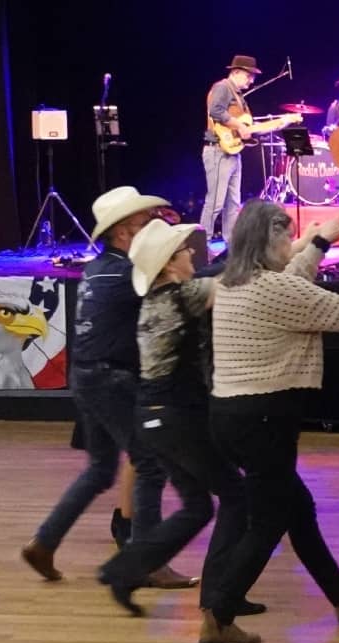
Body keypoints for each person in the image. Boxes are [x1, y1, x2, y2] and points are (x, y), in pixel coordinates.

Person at [203, 201, 339, 643]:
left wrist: (320, 240)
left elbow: (293, 281)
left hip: (233, 416)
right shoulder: (272, 289)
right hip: (264, 417)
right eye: (285, 236)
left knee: (297, 506)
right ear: (268, 240)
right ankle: (218, 613)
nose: (290, 244)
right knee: (270, 519)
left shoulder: (235, 282)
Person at [21, 187, 192, 590]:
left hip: (85, 376)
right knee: (150, 461)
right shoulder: (129, 274)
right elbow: (179, 291)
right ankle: (148, 560)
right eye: (141, 225)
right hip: (111, 378)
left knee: (101, 469)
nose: (150, 229)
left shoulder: (99, 269)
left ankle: (44, 543)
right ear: (121, 234)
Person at [96, 219, 261, 619]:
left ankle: (123, 570)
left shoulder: (158, 298)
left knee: (197, 506)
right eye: (185, 251)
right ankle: (219, 597)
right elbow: (232, 281)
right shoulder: (181, 296)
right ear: (169, 265)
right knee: (236, 496)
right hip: (175, 418)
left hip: (154, 417)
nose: (192, 254)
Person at [200, 55, 259, 242]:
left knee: (233, 203)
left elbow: (243, 124)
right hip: (218, 150)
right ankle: (201, 245)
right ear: (236, 72)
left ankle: (231, 246)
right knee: (215, 202)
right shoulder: (222, 87)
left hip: (233, 153)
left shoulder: (239, 96)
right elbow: (215, 111)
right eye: (249, 76)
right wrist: (239, 125)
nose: (251, 80)